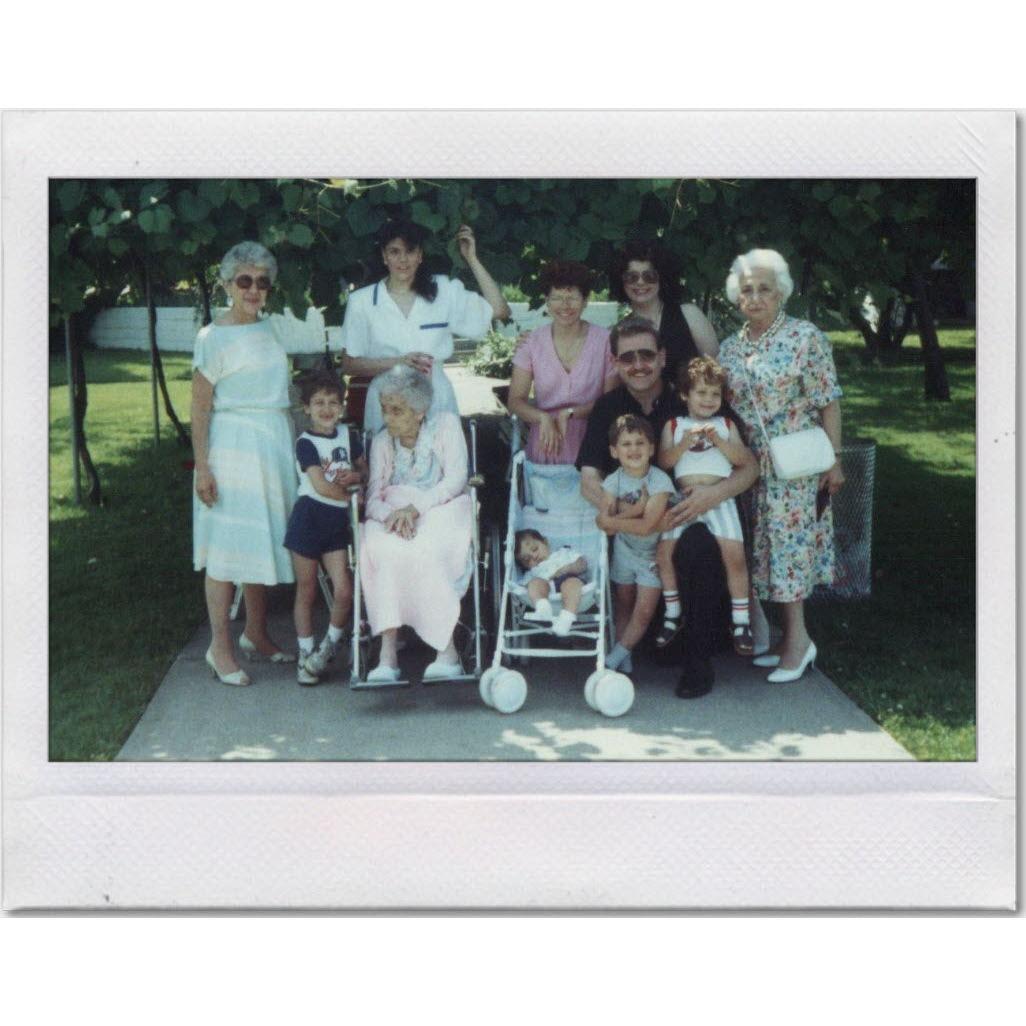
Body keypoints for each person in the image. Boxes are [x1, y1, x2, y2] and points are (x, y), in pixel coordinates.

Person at [576, 316, 759, 698]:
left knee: (698, 547)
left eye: (647, 354)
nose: (638, 364)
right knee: (660, 654)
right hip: (640, 525)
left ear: (661, 358)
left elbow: (750, 466)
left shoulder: (697, 397)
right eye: (628, 358)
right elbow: (589, 477)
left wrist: (715, 494)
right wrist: (622, 514)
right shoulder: (609, 406)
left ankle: (699, 662)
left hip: (696, 511)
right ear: (615, 363)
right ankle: (656, 636)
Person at [192, 241, 329, 686]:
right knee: (228, 546)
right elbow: (200, 409)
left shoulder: (273, 329)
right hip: (231, 447)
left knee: (263, 539)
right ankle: (220, 647)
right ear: (228, 284)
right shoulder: (211, 337)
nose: (253, 290)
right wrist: (203, 466)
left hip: (272, 441)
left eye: (262, 282)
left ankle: (255, 632)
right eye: (244, 281)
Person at [717, 248, 845, 683]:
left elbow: (829, 401)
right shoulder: (730, 349)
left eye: (764, 289)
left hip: (795, 465)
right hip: (751, 466)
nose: (755, 297)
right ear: (737, 297)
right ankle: (779, 638)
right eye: (747, 290)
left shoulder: (805, 337)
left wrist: (835, 460)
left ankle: (799, 643)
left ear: (781, 294)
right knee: (762, 553)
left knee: (790, 554)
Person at [340, 218, 510, 434]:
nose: (403, 260)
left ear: (420, 255)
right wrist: (397, 362)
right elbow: (348, 364)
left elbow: (500, 310)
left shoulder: (443, 290)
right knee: (387, 465)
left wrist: (472, 258)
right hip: (387, 403)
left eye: (410, 251)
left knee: (442, 463)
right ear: (384, 256)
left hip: (437, 398)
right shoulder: (362, 301)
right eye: (394, 251)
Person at [360, 366, 473, 683]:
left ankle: (446, 651)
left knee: (428, 549)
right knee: (382, 549)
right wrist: (391, 516)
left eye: (396, 410)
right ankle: (387, 654)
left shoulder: (446, 427)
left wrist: (415, 508)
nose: (388, 417)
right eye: (384, 409)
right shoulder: (383, 442)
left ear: (420, 411)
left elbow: (455, 480)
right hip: (393, 514)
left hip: (441, 507)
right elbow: (372, 499)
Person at [654, 356, 757, 654]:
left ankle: (741, 621)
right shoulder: (675, 425)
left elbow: (742, 460)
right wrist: (683, 444)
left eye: (714, 394)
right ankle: (673, 613)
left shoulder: (725, 424)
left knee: (734, 555)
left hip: (717, 497)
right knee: (664, 553)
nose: (708, 400)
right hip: (684, 497)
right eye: (701, 393)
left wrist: (721, 442)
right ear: (685, 394)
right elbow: (663, 462)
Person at [283, 371, 366, 686]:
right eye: (319, 403)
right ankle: (305, 651)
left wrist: (357, 479)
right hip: (309, 519)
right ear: (306, 408)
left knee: (343, 589)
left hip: (335, 525)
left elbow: (364, 470)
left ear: (342, 407)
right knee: (306, 589)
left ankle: (329, 644)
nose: (327, 409)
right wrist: (351, 498)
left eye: (333, 402)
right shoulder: (306, 443)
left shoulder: (349, 436)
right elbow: (319, 484)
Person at [507, 260, 619, 464]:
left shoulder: (606, 342)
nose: (565, 305)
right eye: (557, 297)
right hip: (546, 443)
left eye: (572, 297)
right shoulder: (531, 343)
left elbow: (610, 400)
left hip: (594, 442)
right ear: (547, 301)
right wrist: (543, 417)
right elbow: (515, 401)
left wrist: (570, 414)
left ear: (585, 300)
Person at [596, 415, 675, 674]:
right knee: (624, 603)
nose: (633, 449)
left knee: (643, 611)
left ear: (652, 448)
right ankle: (624, 654)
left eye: (640, 443)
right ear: (614, 451)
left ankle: (614, 657)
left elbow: (647, 526)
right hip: (624, 550)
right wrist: (637, 509)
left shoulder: (659, 481)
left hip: (652, 555)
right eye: (626, 444)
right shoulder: (612, 481)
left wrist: (619, 516)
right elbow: (604, 525)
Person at [609, 239, 719, 384]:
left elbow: (717, 368)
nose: (640, 282)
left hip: (690, 405)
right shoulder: (621, 330)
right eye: (631, 277)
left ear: (662, 278)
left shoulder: (689, 315)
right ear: (621, 282)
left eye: (649, 276)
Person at [514, 529, 588, 637]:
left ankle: (567, 617)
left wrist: (568, 568)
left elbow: (582, 564)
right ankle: (542, 606)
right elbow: (523, 586)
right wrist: (531, 587)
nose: (533, 557)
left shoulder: (563, 552)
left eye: (535, 549)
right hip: (546, 587)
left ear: (545, 542)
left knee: (571, 584)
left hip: (569, 578)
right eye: (527, 560)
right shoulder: (533, 571)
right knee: (534, 583)